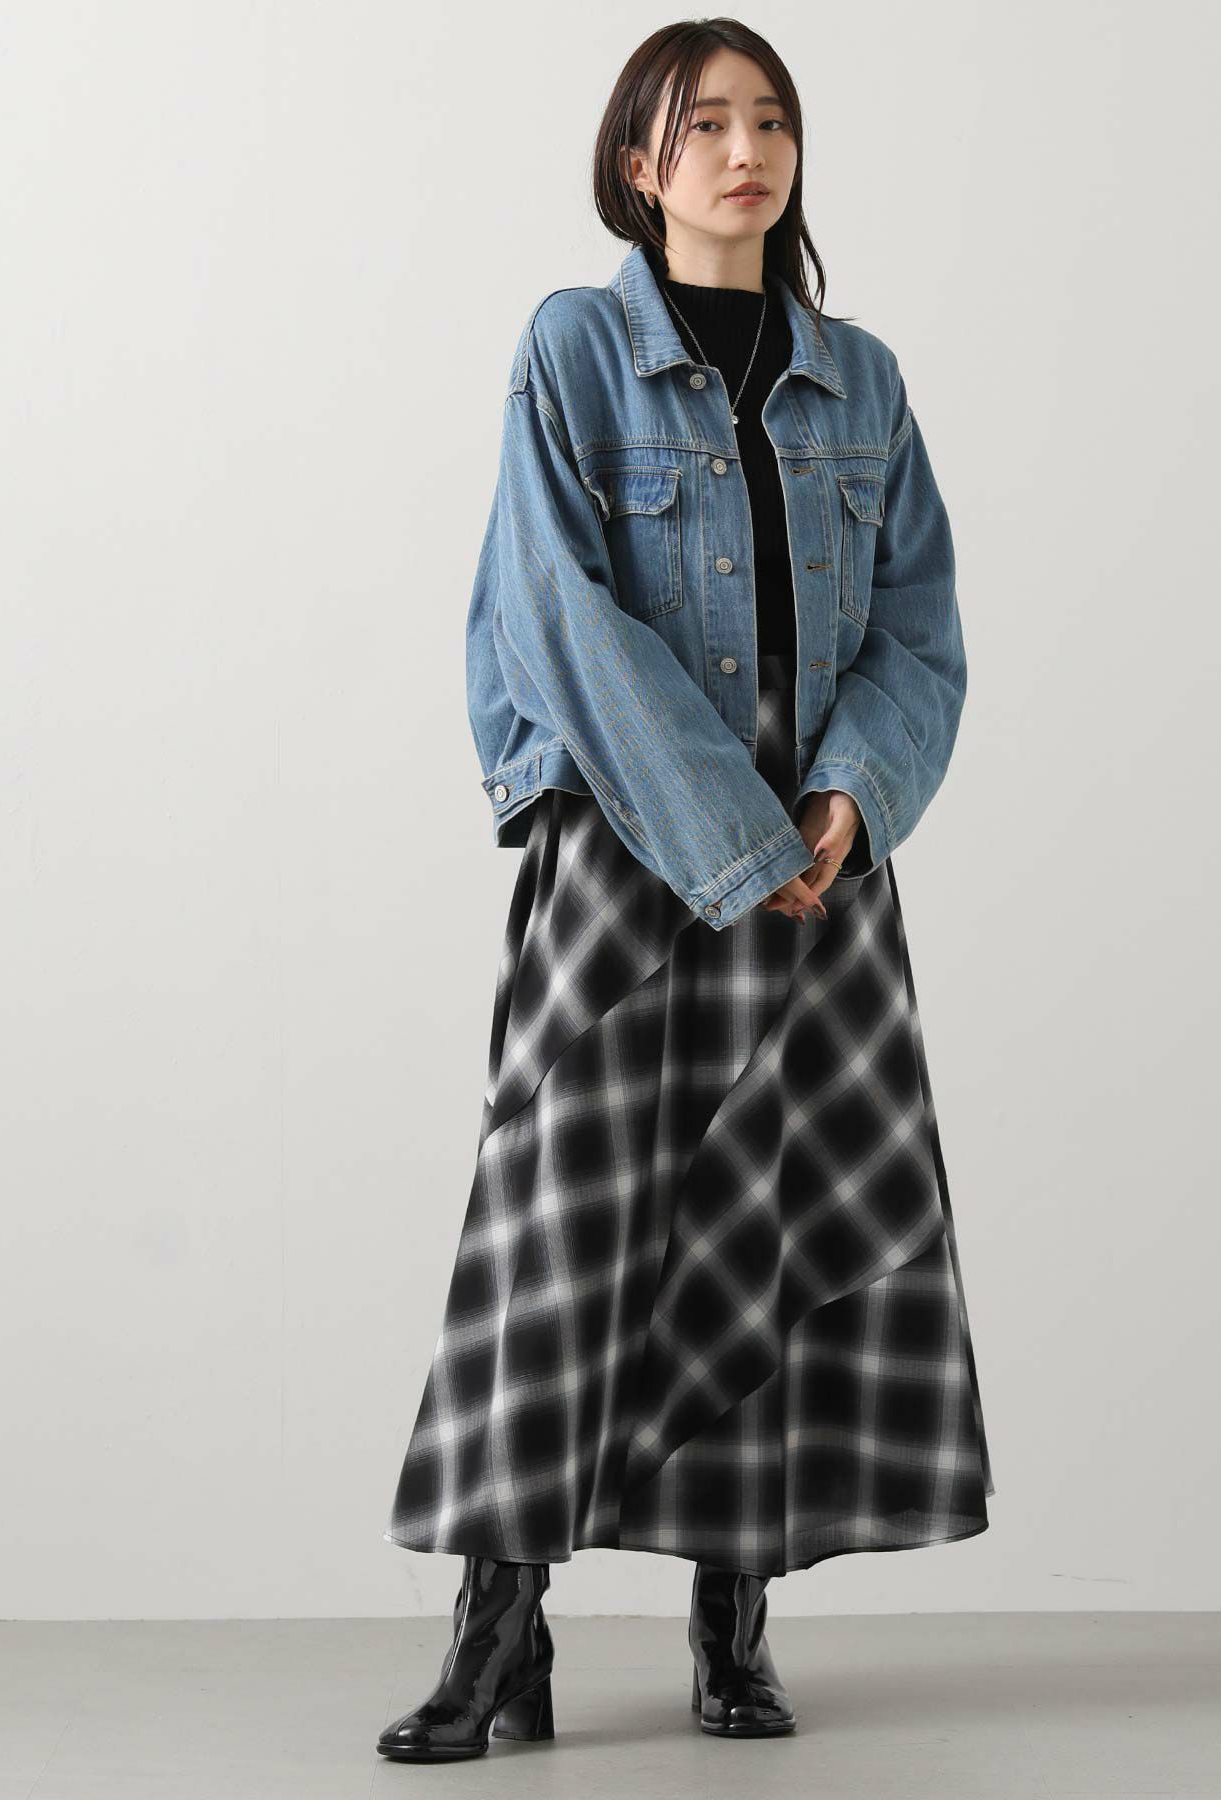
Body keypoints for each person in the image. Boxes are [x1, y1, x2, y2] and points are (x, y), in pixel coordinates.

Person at [376, 18, 994, 1762]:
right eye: (704, 122)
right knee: (556, 1230)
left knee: (763, 1226)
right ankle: (500, 1632)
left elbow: (920, 628)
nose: (745, 149)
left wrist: (849, 800)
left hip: (820, 860)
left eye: (770, 119)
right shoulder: (573, 348)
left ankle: (736, 1625)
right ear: (638, 164)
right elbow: (554, 612)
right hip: (631, 835)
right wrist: (727, 835)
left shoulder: (863, 381)